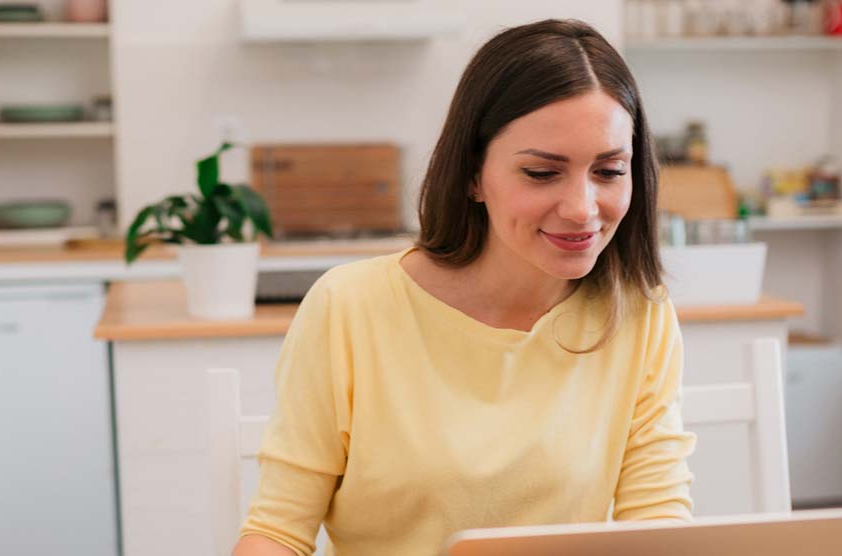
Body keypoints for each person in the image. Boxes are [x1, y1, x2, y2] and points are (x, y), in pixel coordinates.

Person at [233, 18, 695, 556]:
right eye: (543, 174)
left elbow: (657, 528)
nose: (582, 209)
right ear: (473, 175)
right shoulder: (351, 306)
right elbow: (277, 533)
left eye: (609, 170)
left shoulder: (638, 314)